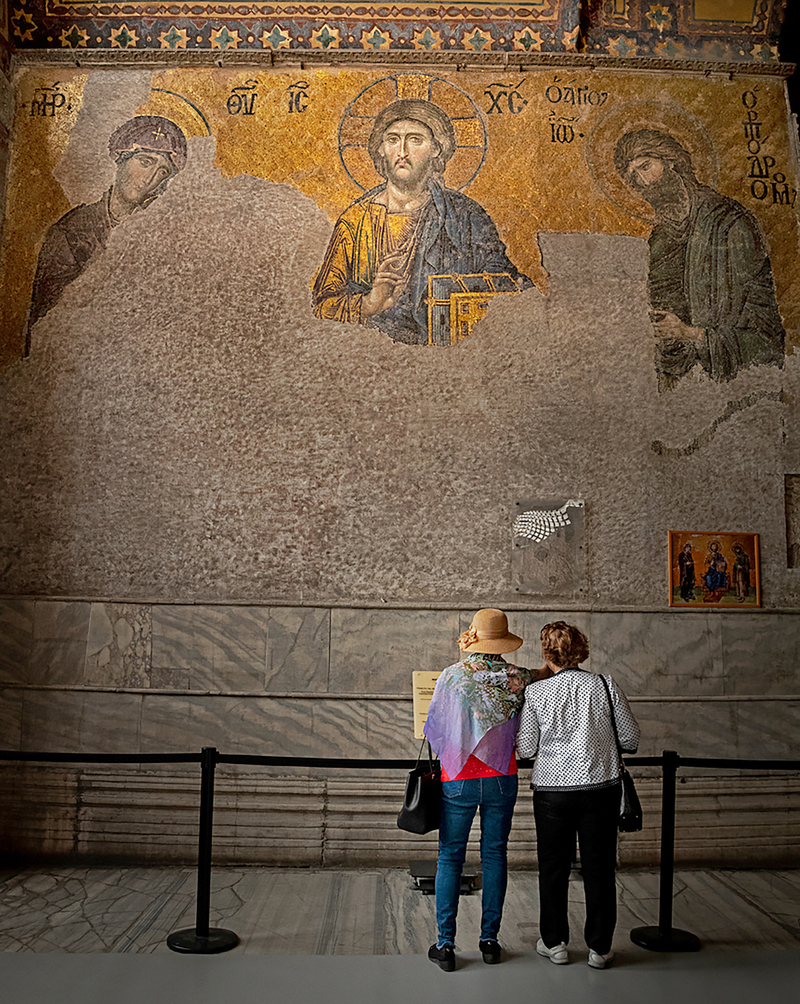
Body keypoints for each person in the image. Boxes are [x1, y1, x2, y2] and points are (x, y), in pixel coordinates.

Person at [312, 98, 531, 345]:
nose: (402, 152)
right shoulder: (355, 222)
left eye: (415, 140)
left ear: (436, 149)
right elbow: (320, 306)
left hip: (450, 357)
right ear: (381, 148)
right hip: (371, 357)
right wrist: (370, 304)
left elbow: (508, 285)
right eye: (393, 139)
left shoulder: (465, 216)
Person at [422, 608, 549, 971]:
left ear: (474, 636)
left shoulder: (452, 676)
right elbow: (545, 674)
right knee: (495, 855)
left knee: (450, 856)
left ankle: (445, 945)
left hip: (458, 779)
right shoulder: (518, 677)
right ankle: (489, 941)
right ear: (502, 640)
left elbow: (434, 729)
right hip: (501, 778)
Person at [613, 128, 784, 389]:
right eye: (633, 178)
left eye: (645, 167)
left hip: (735, 388)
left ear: (671, 161)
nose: (644, 183)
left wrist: (691, 334)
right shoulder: (660, 240)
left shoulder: (731, 225)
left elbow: (767, 342)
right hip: (680, 387)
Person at [517, 621, 640, 970]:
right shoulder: (604, 684)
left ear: (546, 653)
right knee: (599, 869)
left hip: (552, 792)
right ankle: (599, 949)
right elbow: (630, 739)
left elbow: (525, 749)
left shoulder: (537, 693)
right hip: (599, 789)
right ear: (581, 648)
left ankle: (555, 943)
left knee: (553, 867)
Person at [28, 115, 187, 345]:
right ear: (122, 158)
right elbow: (46, 315)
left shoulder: (156, 232)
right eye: (144, 162)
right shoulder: (73, 230)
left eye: (162, 172)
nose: (149, 178)